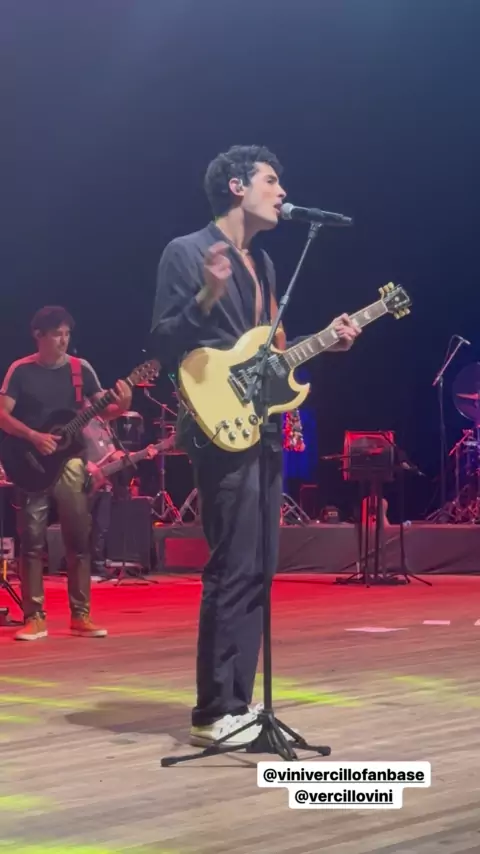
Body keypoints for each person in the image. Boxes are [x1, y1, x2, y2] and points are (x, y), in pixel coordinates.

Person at [149, 145, 361, 746]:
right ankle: (214, 711)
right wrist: (207, 295)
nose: (282, 191)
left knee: (259, 567)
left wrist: (325, 343)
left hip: (260, 425)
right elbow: (163, 342)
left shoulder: (264, 264)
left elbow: (269, 353)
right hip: (217, 425)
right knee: (233, 565)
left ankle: (239, 704)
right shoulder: (188, 251)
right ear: (237, 187)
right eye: (272, 180)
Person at [0, 305, 132, 640]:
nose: (63, 340)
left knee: (78, 539)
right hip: (30, 463)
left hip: (71, 462)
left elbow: (105, 410)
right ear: (38, 335)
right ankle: (34, 617)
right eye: (57, 334)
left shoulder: (80, 369)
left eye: (67, 334)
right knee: (31, 541)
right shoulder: (20, 370)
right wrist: (33, 436)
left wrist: (123, 403)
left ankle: (80, 615)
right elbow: (2, 415)